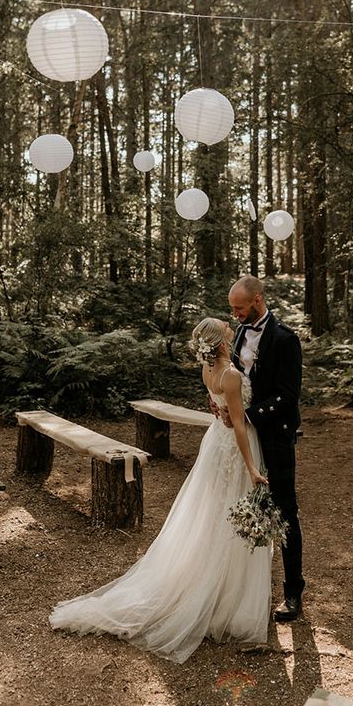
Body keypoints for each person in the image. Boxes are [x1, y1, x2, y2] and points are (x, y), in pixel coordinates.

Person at [49, 318, 272, 663]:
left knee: (214, 514)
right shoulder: (230, 376)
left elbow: (219, 409)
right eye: (225, 327)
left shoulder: (209, 371)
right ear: (220, 341)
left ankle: (218, 589)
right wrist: (252, 467)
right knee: (228, 514)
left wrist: (221, 411)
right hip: (233, 447)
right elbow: (239, 424)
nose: (231, 327)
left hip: (216, 443)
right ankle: (223, 598)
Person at [226, 275, 305, 622]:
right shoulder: (240, 333)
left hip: (274, 434)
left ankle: (293, 592)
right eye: (232, 309)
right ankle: (244, 589)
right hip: (244, 436)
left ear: (257, 300)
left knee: (285, 511)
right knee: (243, 506)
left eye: (239, 308)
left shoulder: (286, 340)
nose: (235, 315)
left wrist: (247, 415)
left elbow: (288, 397)